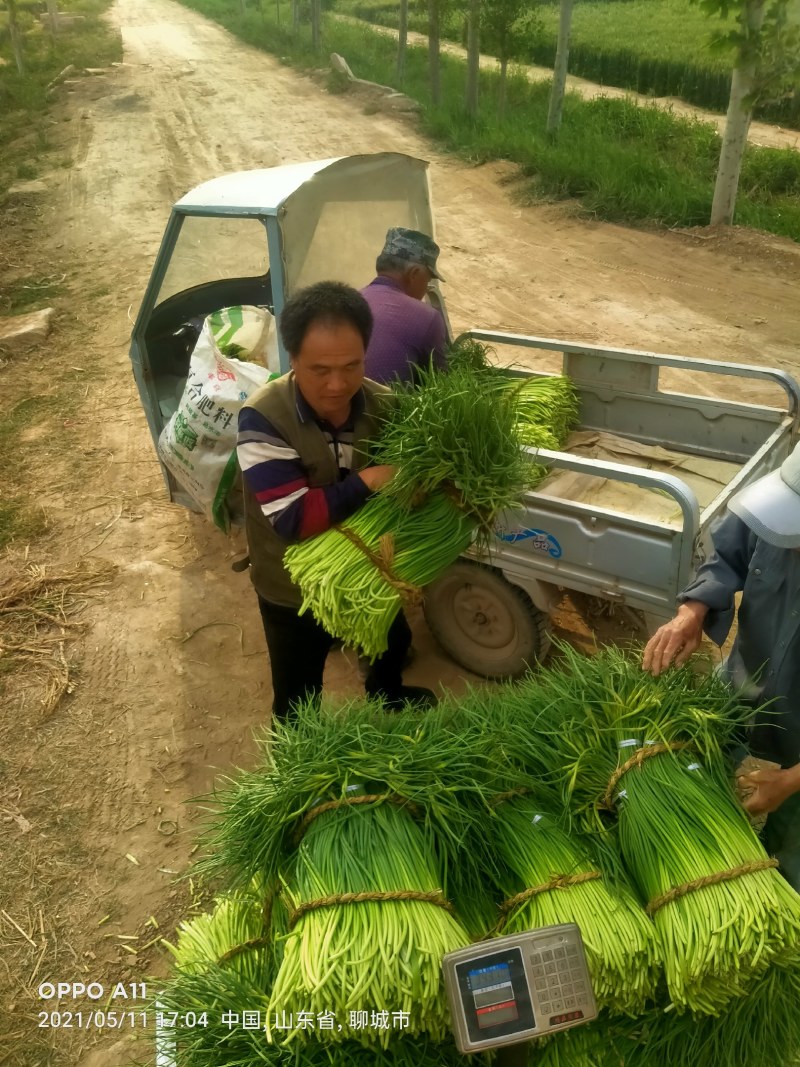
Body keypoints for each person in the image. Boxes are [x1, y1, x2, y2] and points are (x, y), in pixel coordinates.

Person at [236, 280, 435, 721]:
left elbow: (412, 481)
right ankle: (299, 753)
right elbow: (292, 519)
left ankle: (387, 695)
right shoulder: (263, 417)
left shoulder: (386, 406)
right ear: (292, 359)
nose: (337, 384)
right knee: (298, 689)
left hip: (365, 566)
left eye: (351, 366)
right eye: (319, 370)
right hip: (292, 581)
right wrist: (371, 480)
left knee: (391, 641)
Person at [642, 440, 800, 890]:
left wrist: (789, 782)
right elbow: (727, 556)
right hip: (737, 705)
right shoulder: (775, 510)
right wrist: (693, 610)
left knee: (785, 877)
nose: (787, 545)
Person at [360, 227, 448, 385]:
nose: (426, 287)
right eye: (427, 280)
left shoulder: (350, 301)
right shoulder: (427, 317)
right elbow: (441, 386)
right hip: (387, 409)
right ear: (413, 273)